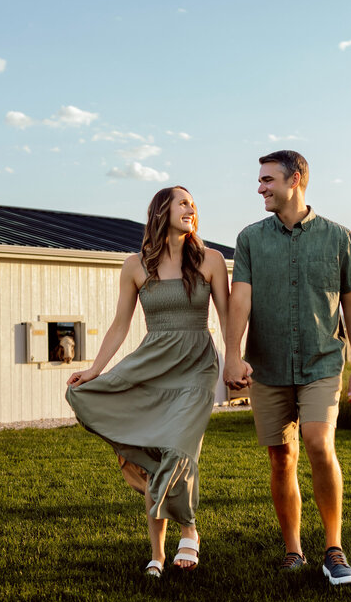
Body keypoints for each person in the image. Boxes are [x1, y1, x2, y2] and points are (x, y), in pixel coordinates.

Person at [223, 150, 351, 586]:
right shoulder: (250, 239)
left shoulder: (338, 238)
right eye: (260, 180)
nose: (260, 188)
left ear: (296, 179)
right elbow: (241, 299)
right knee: (280, 456)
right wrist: (233, 353)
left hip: (322, 360)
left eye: (268, 179)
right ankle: (293, 550)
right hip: (267, 365)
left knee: (317, 441)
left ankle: (334, 548)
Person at [66, 186, 230, 578]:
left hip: (197, 367)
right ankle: (157, 553)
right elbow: (121, 324)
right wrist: (94, 370)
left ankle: (188, 528)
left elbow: (227, 319)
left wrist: (236, 361)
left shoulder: (211, 260)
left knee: (177, 448)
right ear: (162, 211)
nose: (192, 208)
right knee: (156, 458)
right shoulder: (135, 265)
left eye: (194, 204)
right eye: (183, 202)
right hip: (152, 364)